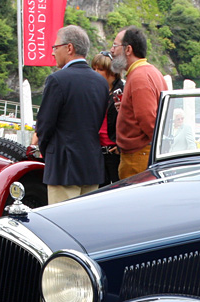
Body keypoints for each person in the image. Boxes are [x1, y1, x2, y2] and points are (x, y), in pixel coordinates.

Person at [34, 25, 109, 204]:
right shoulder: (101, 82)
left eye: (55, 47)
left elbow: (44, 126)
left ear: (69, 48)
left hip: (62, 166)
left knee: (62, 224)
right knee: (86, 223)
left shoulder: (57, 80)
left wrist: (48, 152)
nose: (53, 53)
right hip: (91, 164)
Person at [109, 26, 165, 179]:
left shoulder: (139, 77)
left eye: (115, 45)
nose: (112, 50)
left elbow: (149, 121)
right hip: (143, 154)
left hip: (138, 158)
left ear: (128, 50)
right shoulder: (151, 71)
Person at [91, 51, 124, 185]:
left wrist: (120, 144)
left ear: (111, 72)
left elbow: (128, 119)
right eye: (94, 69)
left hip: (114, 149)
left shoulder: (121, 91)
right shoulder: (96, 90)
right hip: (98, 148)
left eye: (100, 69)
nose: (96, 72)